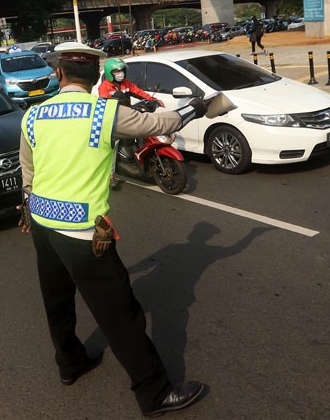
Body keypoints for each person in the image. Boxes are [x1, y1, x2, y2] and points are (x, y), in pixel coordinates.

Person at [18, 42, 209, 417]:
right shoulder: (105, 112)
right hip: (86, 233)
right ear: (95, 80)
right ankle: (153, 393)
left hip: (42, 225)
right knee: (121, 313)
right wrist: (196, 108)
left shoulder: (33, 115)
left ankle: (70, 363)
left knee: (57, 300)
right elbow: (162, 123)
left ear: (59, 75)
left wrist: (26, 208)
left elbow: (28, 169)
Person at [97, 58, 165, 188]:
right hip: (115, 119)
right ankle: (110, 175)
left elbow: (138, 92)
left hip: (129, 115)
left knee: (143, 130)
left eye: (121, 70)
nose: (120, 73)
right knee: (113, 146)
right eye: (117, 71)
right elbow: (105, 103)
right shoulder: (104, 87)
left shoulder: (126, 83)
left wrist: (154, 100)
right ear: (110, 73)